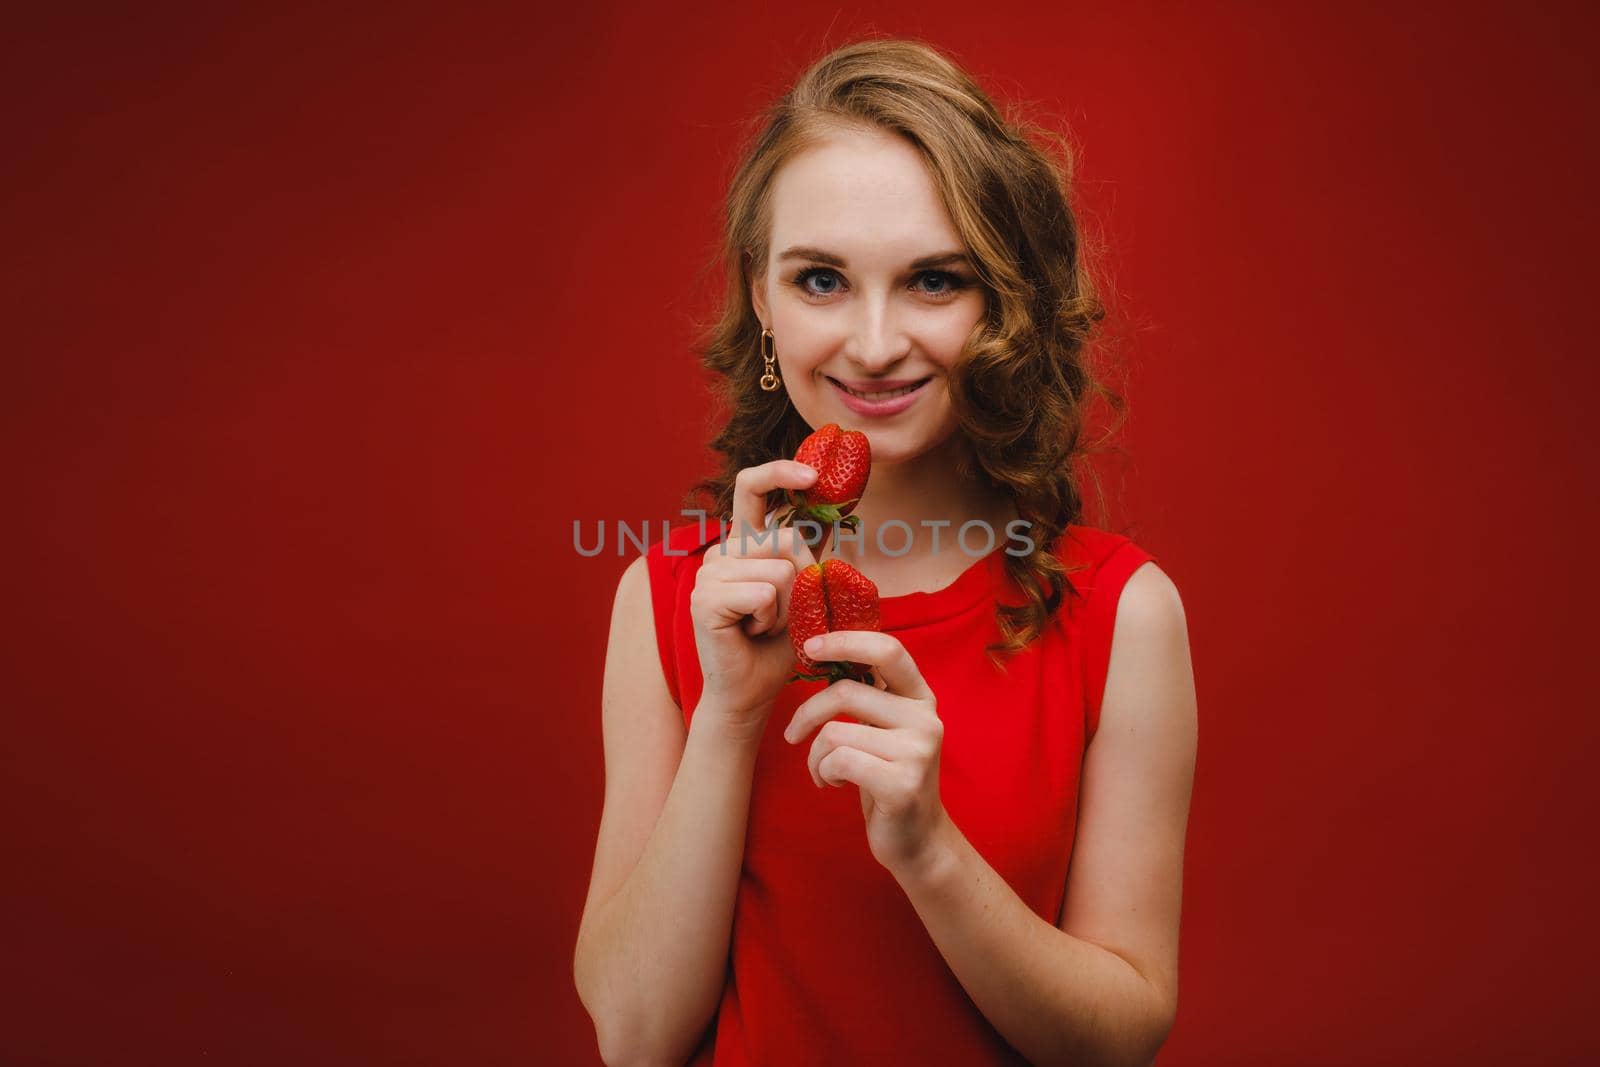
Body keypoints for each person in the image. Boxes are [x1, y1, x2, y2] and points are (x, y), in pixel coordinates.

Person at [574, 36, 1197, 1067]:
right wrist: (730, 715)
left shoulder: (1119, 610)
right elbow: (637, 1036)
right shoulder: (666, 597)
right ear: (761, 300)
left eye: (932, 280)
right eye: (819, 278)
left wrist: (929, 851)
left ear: (1004, 302)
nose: (870, 343)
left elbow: (1120, 1036)